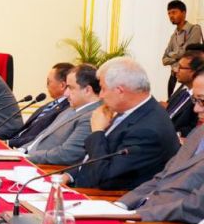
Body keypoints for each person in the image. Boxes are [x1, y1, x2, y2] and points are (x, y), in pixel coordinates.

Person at [66, 57, 179, 190]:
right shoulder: (129, 111)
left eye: (103, 89)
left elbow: (106, 178)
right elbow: (93, 157)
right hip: (80, 185)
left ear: (119, 91)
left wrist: (97, 132)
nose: (100, 95)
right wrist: (69, 175)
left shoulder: (147, 130)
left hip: (101, 196)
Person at [115, 66, 204, 223]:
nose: (196, 109)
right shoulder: (199, 132)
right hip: (140, 213)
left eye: (202, 101)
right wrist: (120, 206)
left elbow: (195, 207)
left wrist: (136, 216)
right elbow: (162, 177)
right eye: (195, 100)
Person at [24, 64, 101, 165]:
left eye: (71, 88)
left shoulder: (92, 116)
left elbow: (67, 154)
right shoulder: (71, 108)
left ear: (87, 90)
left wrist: (26, 157)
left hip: (42, 166)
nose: (65, 93)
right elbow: (42, 136)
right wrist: (21, 150)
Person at [8, 62, 73, 148]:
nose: (46, 85)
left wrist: (9, 143)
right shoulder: (51, 104)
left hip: (26, 149)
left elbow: (41, 137)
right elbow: (26, 130)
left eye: (48, 82)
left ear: (62, 85)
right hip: (15, 143)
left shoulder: (66, 109)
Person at [162, 0, 203, 98]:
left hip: (188, 77)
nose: (171, 16)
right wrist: (177, 56)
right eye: (169, 13)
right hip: (173, 78)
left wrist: (171, 55)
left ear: (183, 13)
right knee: (171, 104)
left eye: (174, 12)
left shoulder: (194, 29)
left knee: (186, 104)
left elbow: (188, 53)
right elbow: (164, 59)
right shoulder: (174, 35)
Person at [165, 51, 203, 138]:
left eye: (180, 67)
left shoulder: (199, 101)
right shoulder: (182, 93)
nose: (175, 70)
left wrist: (174, 134)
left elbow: (194, 129)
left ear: (193, 72)